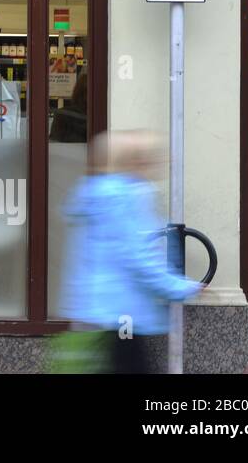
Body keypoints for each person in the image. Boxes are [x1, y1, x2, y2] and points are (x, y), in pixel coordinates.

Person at [58, 130, 204, 373]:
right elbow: (139, 258)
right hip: (122, 312)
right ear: (134, 161)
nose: (159, 163)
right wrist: (183, 287)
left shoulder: (97, 193)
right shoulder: (128, 197)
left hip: (98, 309)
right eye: (150, 157)